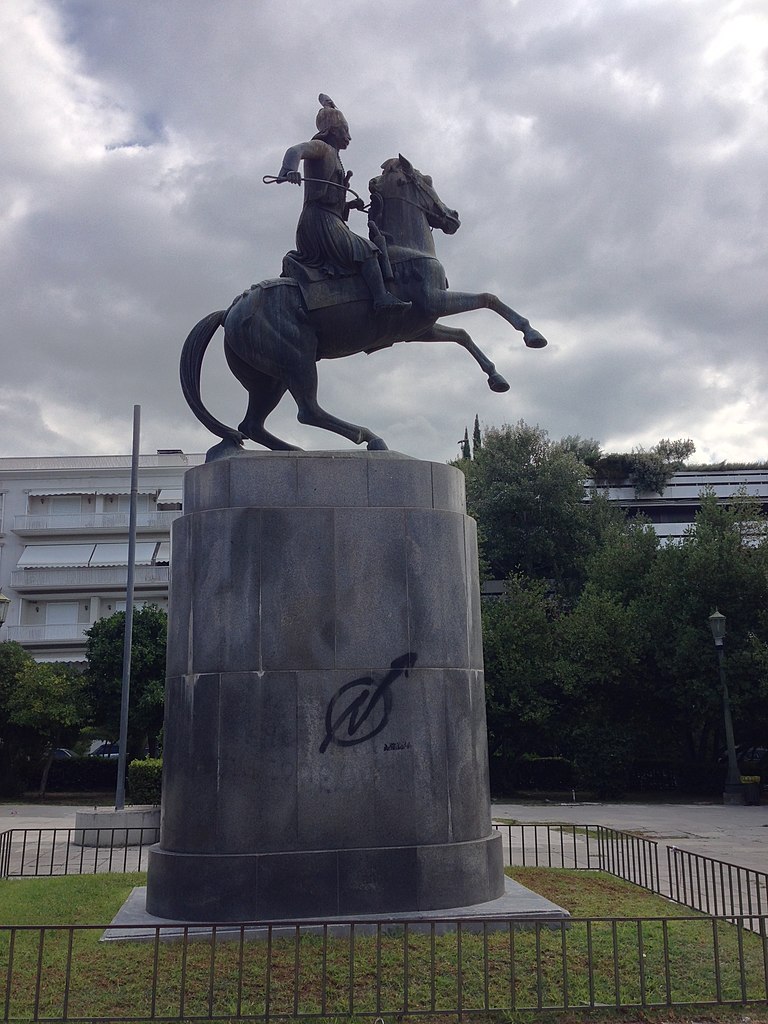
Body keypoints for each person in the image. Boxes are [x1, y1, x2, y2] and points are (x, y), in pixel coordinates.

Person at [276, 94, 411, 315]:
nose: (348, 136)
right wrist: (290, 170)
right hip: (318, 222)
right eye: (344, 131)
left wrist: (348, 205)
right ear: (331, 131)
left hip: (329, 219)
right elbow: (294, 151)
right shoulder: (321, 147)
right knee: (368, 250)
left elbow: (331, 199)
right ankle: (381, 298)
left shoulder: (335, 156)